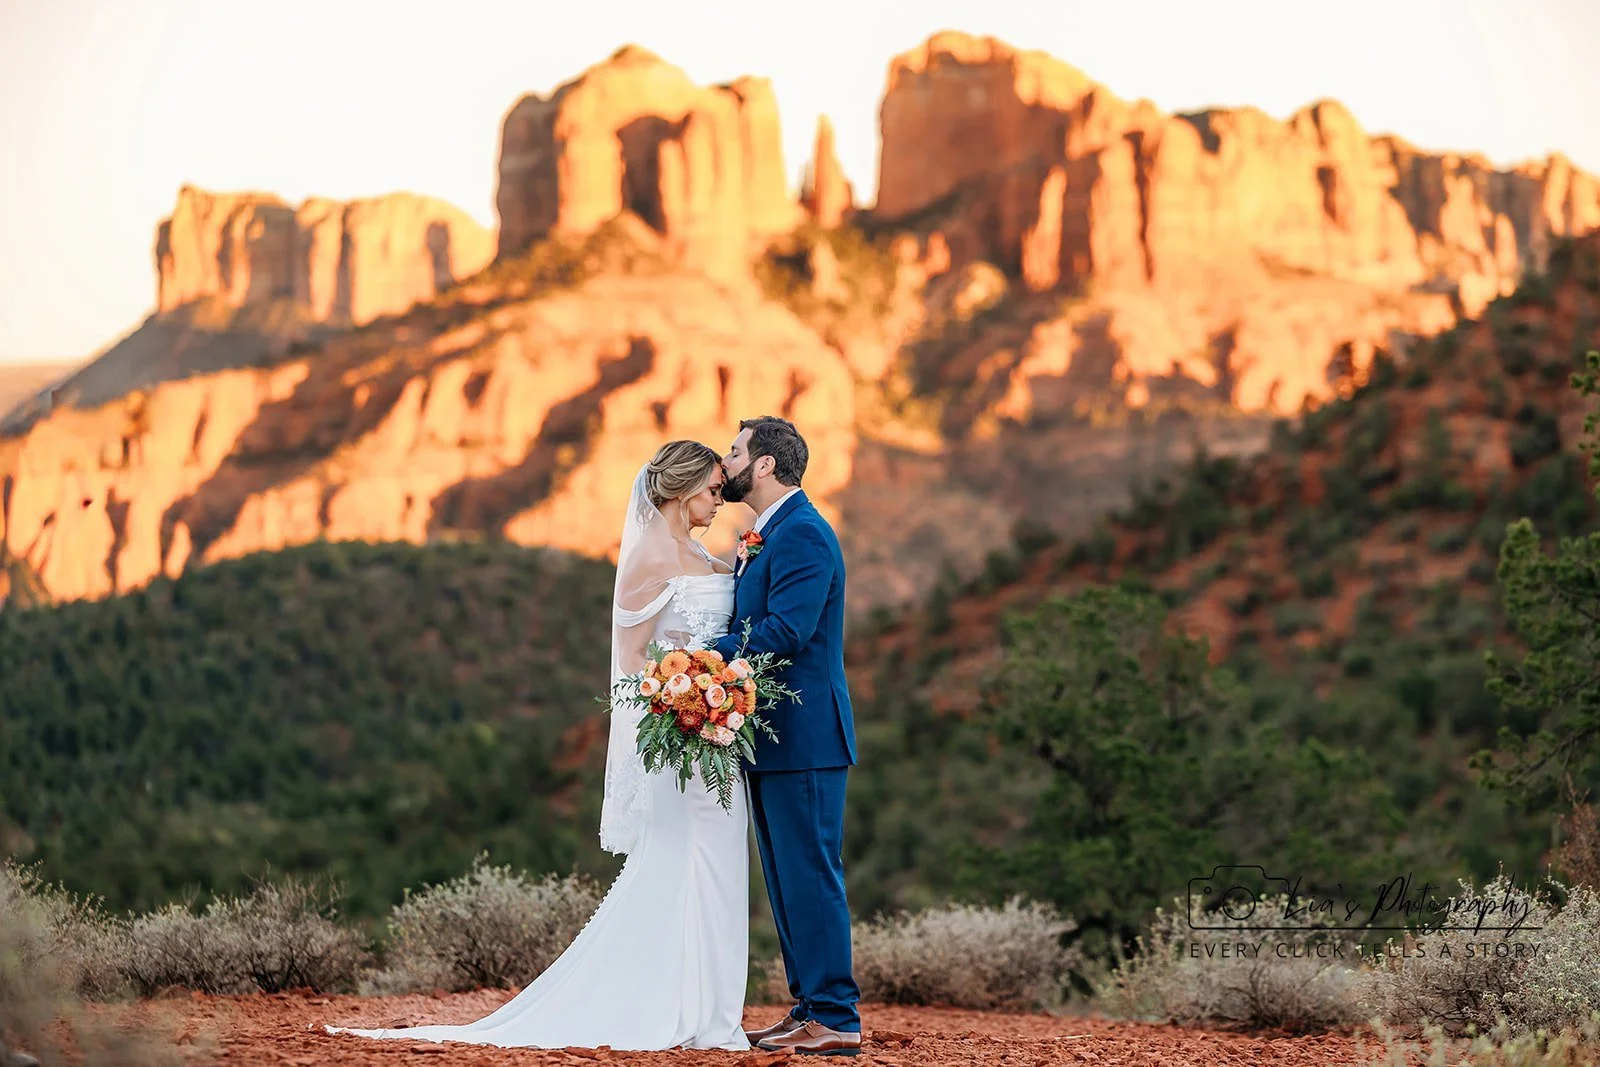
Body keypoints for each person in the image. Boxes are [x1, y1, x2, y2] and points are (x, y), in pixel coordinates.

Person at [328, 440, 749, 1051]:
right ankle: (674, 1008)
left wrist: (719, 694)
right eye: (713, 489)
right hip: (681, 740)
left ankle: (709, 1010)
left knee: (718, 865)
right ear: (684, 490)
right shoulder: (649, 560)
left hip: (718, 734)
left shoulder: (696, 550)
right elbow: (632, 666)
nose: (719, 499)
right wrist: (677, 713)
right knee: (682, 865)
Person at [714, 415, 862, 1056]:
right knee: (784, 877)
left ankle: (837, 1015)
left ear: (766, 464)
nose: (728, 461)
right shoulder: (768, 535)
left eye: (736, 452)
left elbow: (786, 632)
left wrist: (702, 657)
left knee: (812, 873)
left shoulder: (803, 534)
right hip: (771, 736)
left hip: (806, 736)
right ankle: (809, 1008)